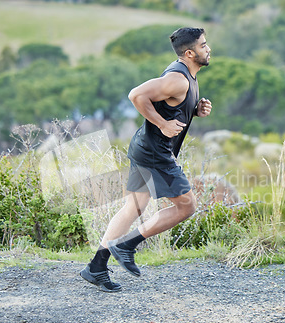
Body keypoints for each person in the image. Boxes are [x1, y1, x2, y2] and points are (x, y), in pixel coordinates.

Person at [80, 27, 212, 292]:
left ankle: (96, 266)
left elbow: (170, 103)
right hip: (156, 153)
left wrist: (195, 110)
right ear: (189, 53)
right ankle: (126, 245)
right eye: (204, 45)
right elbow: (136, 95)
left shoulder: (187, 79)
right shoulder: (180, 79)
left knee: (133, 208)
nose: (208, 49)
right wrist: (163, 124)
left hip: (146, 148)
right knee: (187, 207)